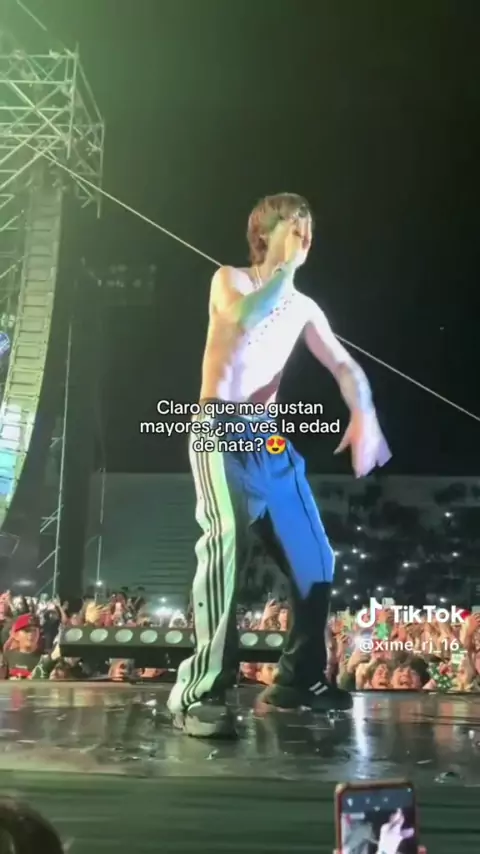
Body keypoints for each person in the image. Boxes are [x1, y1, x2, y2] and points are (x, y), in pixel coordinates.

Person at [167, 192, 391, 737]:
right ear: (264, 233)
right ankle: (200, 693)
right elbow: (244, 320)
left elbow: (344, 366)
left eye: (308, 222)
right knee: (228, 546)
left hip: (268, 439)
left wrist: (364, 413)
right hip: (219, 428)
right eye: (293, 221)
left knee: (316, 558)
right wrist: (285, 269)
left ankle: (298, 679)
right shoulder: (232, 280)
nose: (304, 228)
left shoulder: (304, 307)